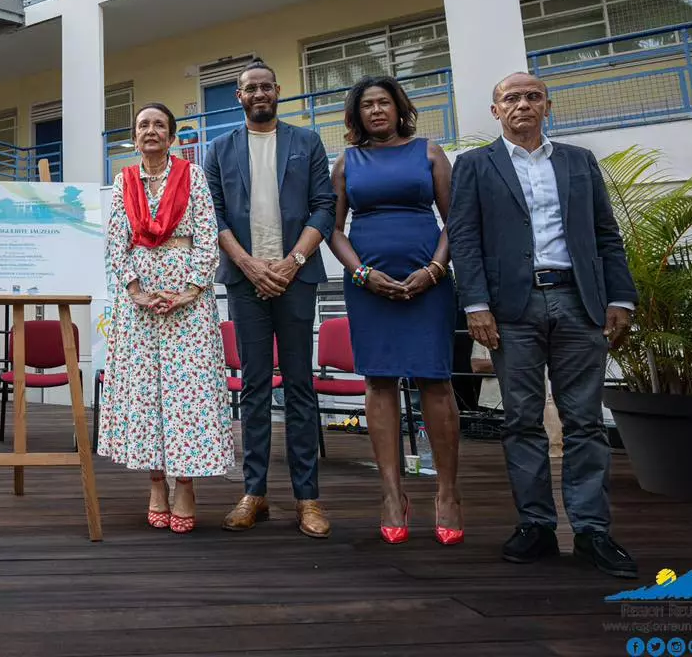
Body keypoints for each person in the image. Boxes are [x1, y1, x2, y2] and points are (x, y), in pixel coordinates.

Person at [448, 71, 638, 578]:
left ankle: (593, 530)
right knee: (521, 419)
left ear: (547, 106)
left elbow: (605, 232)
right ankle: (535, 524)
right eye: (511, 98)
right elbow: (463, 240)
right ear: (496, 111)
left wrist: (620, 297)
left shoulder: (578, 161)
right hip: (513, 308)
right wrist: (475, 306)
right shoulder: (474, 165)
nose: (522, 104)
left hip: (580, 303)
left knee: (584, 420)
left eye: (533, 97)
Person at [204, 59, 336, 538]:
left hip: (295, 280)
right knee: (255, 387)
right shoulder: (219, 149)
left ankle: (308, 499)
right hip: (245, 282)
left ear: (277, 91)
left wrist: (291, 262)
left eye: (265, 86)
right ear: (238, 96)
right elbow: (213, 214)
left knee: (300, 387)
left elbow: (325, 205)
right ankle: (253, 492)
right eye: (249, 88)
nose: (259, 93)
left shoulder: (307, 142)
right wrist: (249, 265)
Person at [327, 76, 461, 545]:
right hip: (369, 283)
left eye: (384, 102)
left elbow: (455, 219)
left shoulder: (429, 152)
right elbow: (334, 229)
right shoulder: (347, 162)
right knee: (378, 380)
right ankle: (391, 494)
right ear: (357, 114)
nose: (377, 110)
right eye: (367, 105)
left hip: (429, 280)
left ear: (398, 107)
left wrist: (435, 270)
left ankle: (446, 494)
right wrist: (362, 274)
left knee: (435, 379)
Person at [100, 103, 231, 532]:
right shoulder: (122, 181)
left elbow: (208, 235)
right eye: (143, 125)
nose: (151, 131)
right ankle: (157, 482)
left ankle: (186, 484)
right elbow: (116, 243)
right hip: (139, 301)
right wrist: (136, 291)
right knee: (146, 392)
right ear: (134, 137)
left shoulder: (192, 177)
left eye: (159, 125)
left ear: (172, 136)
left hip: (186, 301)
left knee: (186, 392)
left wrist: (188, 290)